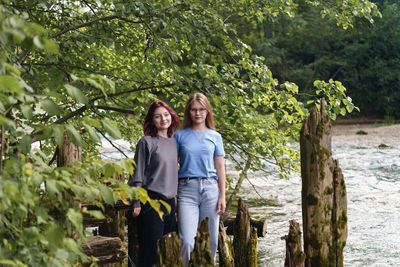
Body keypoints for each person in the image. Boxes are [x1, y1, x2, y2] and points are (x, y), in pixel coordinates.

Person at [174, 93, 226, 266]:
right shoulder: (179, 136)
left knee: (211, 240)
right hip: (186, 189)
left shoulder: (215, 136)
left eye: (201, 109)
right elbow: (173, 166)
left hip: (210, 189)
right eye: (194, 110)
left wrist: (222, 195)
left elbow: (220, 168)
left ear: (207, 111)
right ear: (188, 112)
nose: (197, 113)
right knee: (187, 239)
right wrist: (174, 193)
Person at [128, 100, 180, 267]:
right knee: (150, 252)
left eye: (166, 115)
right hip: (151, 202)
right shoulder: (146, 142)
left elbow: (172, 172)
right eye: (158, 116)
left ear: (171, 116)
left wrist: (176, 195)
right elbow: (137, 174)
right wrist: (136, 202)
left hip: (171, 203)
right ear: (152, 120)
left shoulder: (175, 142)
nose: (163, 119)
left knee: (169, 251)